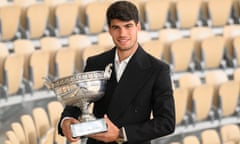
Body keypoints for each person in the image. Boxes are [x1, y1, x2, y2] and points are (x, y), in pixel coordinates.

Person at [58, 1, 175, 144]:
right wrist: (66, 120)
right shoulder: (95, 63)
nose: (122, 34)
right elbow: (78, 103)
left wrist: (121, 134)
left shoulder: (157, 69)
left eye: (128, 26)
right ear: (109, 30)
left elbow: (166, 122)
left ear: (138, 27)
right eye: (116, 28)